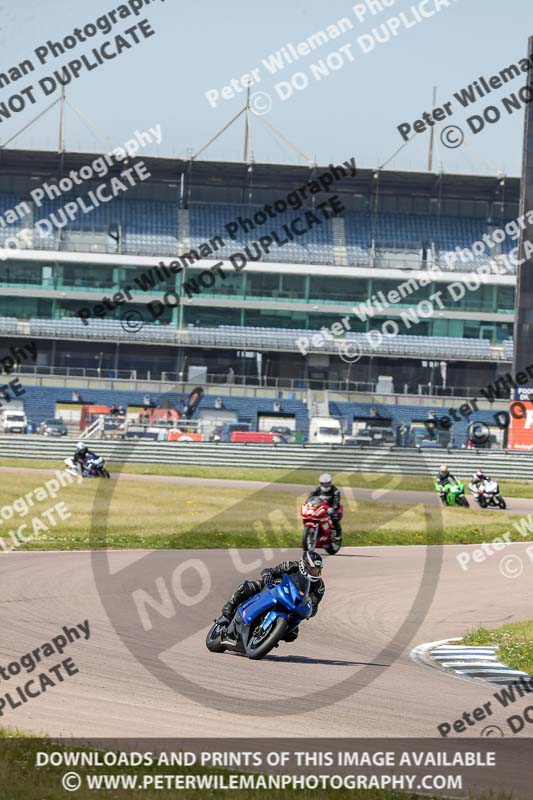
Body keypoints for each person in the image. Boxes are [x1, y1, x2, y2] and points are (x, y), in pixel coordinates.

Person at [221, 551, 325, 643]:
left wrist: (310, 611)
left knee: (292, 634)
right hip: (275, 588)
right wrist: (267, 575)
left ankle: (269, 636)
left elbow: (313, 604)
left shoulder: (319, 587)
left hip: (293, 607)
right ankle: (230, 604)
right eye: (312, 570)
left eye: (317, 570)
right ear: (304, 566)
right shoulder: (291, 566)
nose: (315, 573)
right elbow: (271, 571)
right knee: (249, 587)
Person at [308, 473, 342, 539]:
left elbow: (336, 501)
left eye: (327, 484)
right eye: (323, 484)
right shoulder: (317, 489)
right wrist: (307, 503)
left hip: (332, 508)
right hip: (320, 507)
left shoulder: (335, 491)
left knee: (334, 517)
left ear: (330, 483)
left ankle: (338, 534)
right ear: (320, 483)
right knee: (312, 515)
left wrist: (333, 508)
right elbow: (310, 497)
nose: (325, 485)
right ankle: (312, 530)